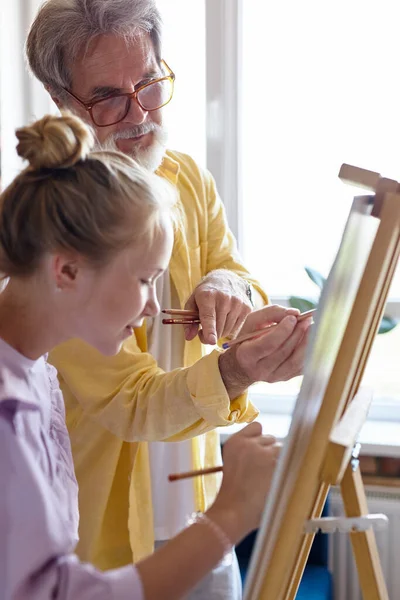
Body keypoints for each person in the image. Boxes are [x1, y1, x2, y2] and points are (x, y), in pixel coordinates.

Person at [26, 1, 312, 597]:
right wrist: (233, 370)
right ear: (60, 99)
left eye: (150, 83)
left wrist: (229, 289)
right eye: (108, 96)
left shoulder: (186, 178)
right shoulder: (53, 230)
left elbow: (234, 271)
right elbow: (132, 402)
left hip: (199, 509)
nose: (138, 114)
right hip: (99, 540)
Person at [0, 112, 282, 599]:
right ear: (66, 271)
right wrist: (230, 514)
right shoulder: (10, 414)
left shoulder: (39, 377)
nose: (154, 306)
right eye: (144, 280)